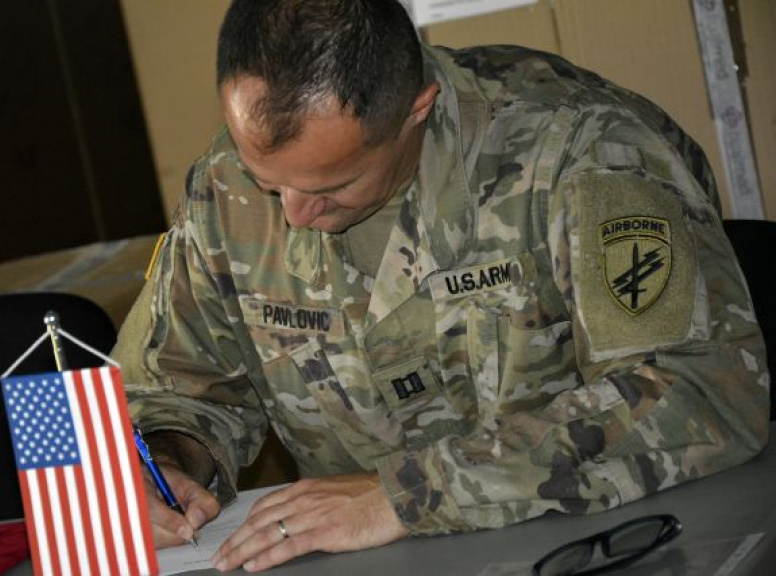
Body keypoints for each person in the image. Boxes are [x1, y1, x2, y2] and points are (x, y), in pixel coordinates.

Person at [112, 0, 771, 572]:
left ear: (416, 110)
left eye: (332, 187)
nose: (294, 214)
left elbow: (698, 391)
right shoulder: (224, 185)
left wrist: (414, 491)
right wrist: (166, 461)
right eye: (269, 183)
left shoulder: (582, 152)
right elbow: (177, 387)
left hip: (594, 544)